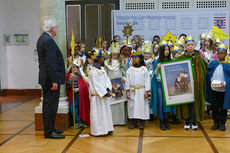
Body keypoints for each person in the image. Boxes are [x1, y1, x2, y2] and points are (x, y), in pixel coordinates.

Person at [37, 18, 65, 139]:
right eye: (57, 27)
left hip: (45, 78)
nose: (57, 29)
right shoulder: (48, 40)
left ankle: (51, 128)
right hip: (50, 80)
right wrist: (54, 80)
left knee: (48, 105)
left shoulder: (42, 38)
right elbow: (51, 62)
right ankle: (49, 132)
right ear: (53, 28)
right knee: (50, 106)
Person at [177, 36, 207, 130]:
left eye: (192, 45)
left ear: (194, 45)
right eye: (188, 45)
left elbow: (203, 69)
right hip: (185, 86)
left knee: (195, 103)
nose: (190, 46)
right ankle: (187, 121)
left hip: (196, 85)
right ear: (185, 46)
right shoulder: (181, 58)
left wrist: (199, 80)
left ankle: (194, 121)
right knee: (186, 102)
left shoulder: (199, 58)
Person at [150, 40, 176, 130]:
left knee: (167, 103)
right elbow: (153, 76)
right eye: (165, 50)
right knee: (161, 103)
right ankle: (162, 121)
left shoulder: (171, 61)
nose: (167, 51)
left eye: (168, 50)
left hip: (168, 85)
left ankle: (166, 121)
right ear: (161, 51)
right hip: (160, 84)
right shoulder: (157, 62)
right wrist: (157, 68)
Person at [88, 48, 114, 136]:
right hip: (97, 96)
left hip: (103, 95)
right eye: (101, 56)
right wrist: (105, 92)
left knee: (105, 112)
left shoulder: (102, 69)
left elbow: (107, 80)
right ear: (97, 58)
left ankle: (107, 128)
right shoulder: (93, 72)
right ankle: (98, 131)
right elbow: (96, 84)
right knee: (98, 114)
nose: (103, 57)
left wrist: (108, 88)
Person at [207, 44, 230, 131]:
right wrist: (211, 82)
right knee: (215, 107)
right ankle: (215, 122)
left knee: (223, 107)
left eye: (222, 53)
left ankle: (222, 123)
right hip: (214, 89)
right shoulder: (214, 63)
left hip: (223, 90)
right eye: (219, 53)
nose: (221, 55)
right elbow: (209, 73)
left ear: (226, 54)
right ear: (217, 53)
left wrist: (224, 83)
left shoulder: (228, 65)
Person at [126, 50, 150, 130]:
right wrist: (127, 91)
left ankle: (142, 121)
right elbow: (127, 80)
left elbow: (147, 80)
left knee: (141, 106)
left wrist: (147, 91)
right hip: (132, 90)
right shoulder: (130, 70)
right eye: (133, 58)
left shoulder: (144, 69)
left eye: (135, 58)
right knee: (132, 106)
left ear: (140, 59)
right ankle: (133, 121)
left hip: (141, 90)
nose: (134, 59)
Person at [104, 41, 127, 125]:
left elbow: (125, 72)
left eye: (116, 55)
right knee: (112, 102)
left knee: (120, 102)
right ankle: (113, 121)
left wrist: (124, 78)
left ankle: (121, 121)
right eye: (113, 54)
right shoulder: (107, 62)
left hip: (120, 83)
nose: (114, 56)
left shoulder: (121, 62)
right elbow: (105, 74)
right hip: (110, 83)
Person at [66, 59, 90, 128]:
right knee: (72, 108)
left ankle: (81, 122)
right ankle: (78, 122)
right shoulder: (69, 75)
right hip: (73, 96)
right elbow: (68, 86)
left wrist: (79, 89)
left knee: (81, 109)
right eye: (73, 67)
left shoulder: (80, 76)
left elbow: (85, 86)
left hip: (80, 96)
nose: (75, 68)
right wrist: (70, 79)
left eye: (76, 67)